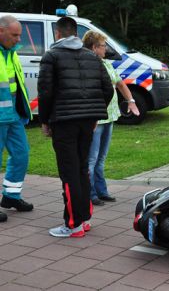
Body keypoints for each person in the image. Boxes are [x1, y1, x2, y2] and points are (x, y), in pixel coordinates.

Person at [38, 17, 114, 237]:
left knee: (69, 173)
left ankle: (73, 224)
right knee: (82, 169)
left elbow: (45, 92)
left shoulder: (51, 56)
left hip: (64, 122)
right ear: (76, 33)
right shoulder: (92, 57)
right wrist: (95, 115)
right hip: (87, 122)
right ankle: (83, 218)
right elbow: (107, 89)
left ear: (58, 34)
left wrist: (45, 120)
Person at [82, 30, 139, 206]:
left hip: (110, 117)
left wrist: (131, 101)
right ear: (93, 48)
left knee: (101, 158)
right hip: (97, 119)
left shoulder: (107, 64)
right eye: (102, 46)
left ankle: (101, 191)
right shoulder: (86, 65)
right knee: (91, 159)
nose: (105, 49)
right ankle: (90, 194)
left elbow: (120, 84)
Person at [0, 15, 34, 222]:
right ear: (0, 31)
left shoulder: (11, 52)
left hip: (12, 114)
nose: (18, 39)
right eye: (15, 35)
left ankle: (11, 196)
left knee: (21, 155)